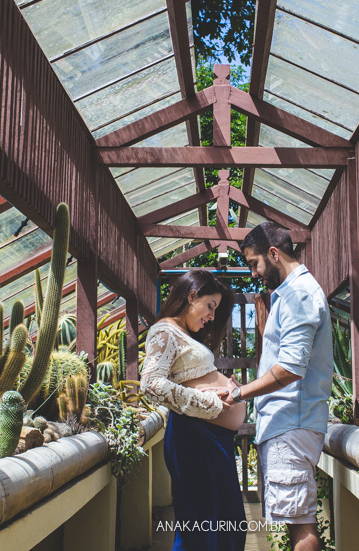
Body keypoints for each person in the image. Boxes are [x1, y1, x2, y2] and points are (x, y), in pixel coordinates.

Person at [218, 222, 333, 551]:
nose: (254, 273)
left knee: (301, 527)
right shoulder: (289, 294)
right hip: (287, 425)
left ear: (274, 254)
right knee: (296, 521)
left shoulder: (298, 294)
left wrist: (240, 392)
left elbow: (291, 369)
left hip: (291, 426)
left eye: (254, 263)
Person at [140, 269, 246, 551]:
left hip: (209, 437)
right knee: (203, 525)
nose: (212, 316)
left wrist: (223, 388)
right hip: (195, 436)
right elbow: (150, 384)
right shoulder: (164, 330)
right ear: (191, 296)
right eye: (210, 306)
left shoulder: (182, 333)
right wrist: (209, 400)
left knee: (224, 522)